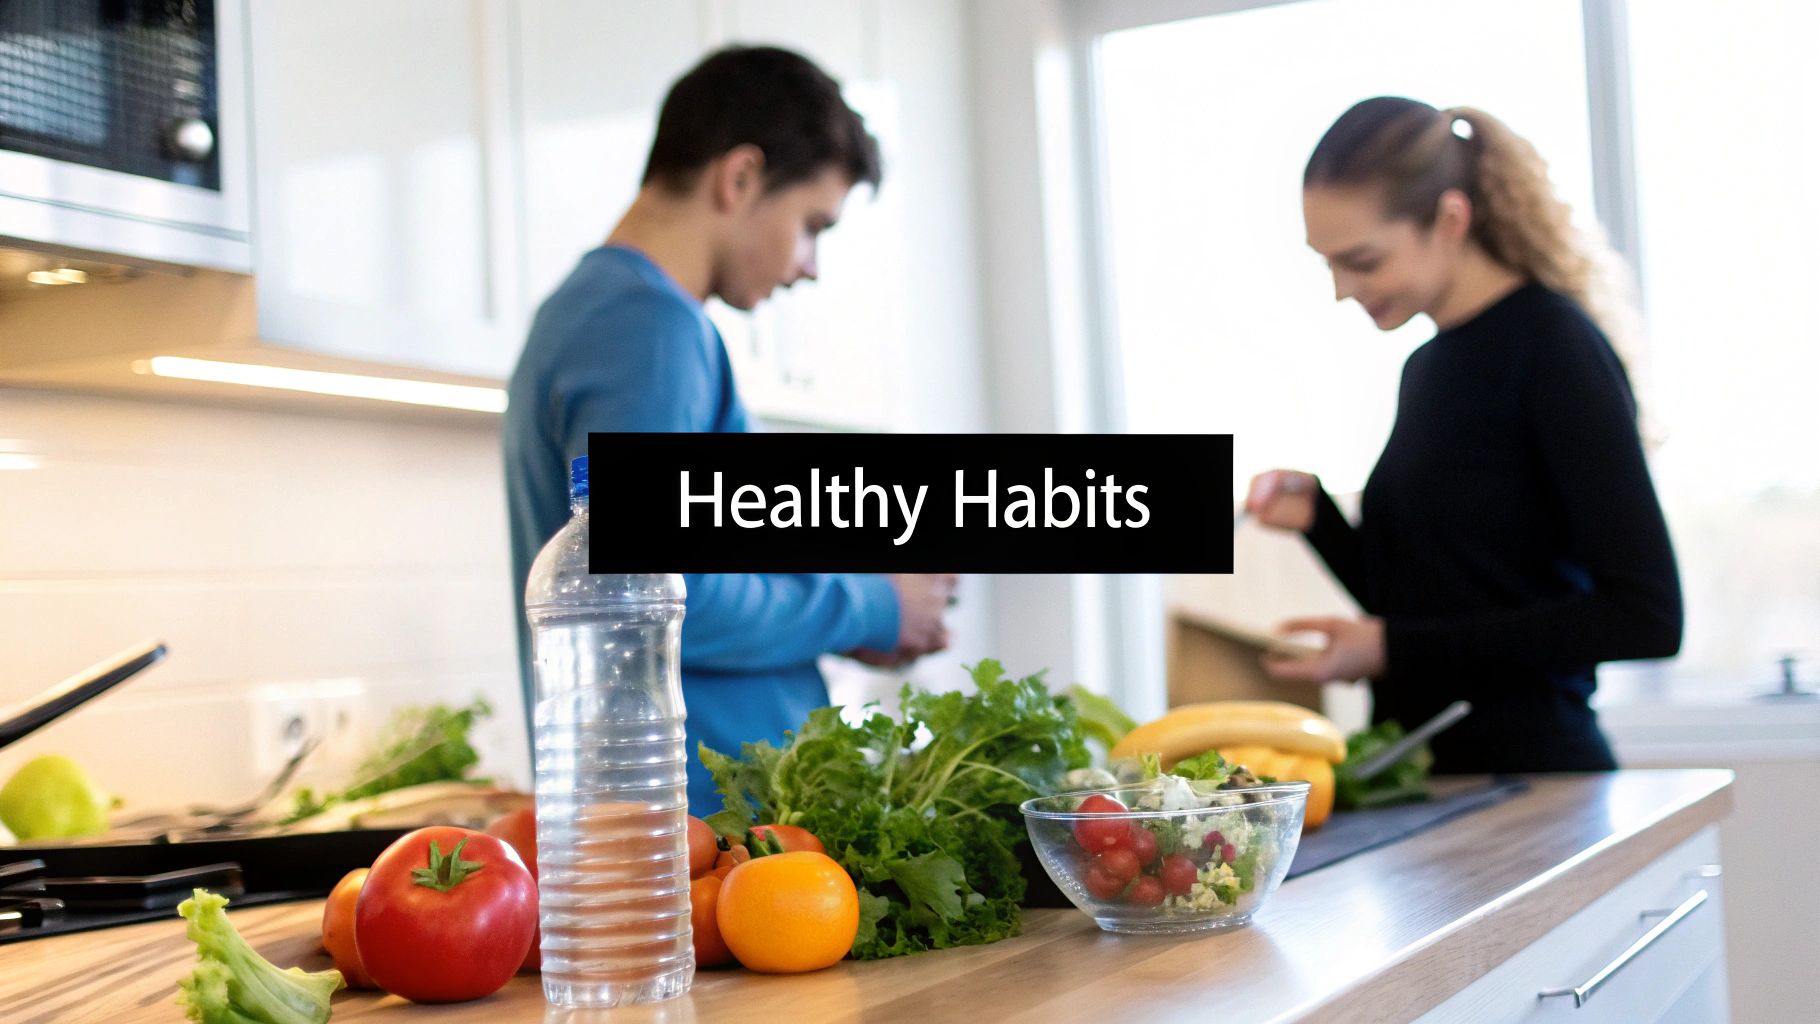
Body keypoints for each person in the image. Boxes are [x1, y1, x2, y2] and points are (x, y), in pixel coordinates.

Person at [504, 46, 956, 814]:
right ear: (740, 177)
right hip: (707, 845)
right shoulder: (645, 324)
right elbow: (648, 592)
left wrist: (849, 617)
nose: (809, 265)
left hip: (711, 842)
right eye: (812, 223)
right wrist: (874, 604)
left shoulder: (606, 314)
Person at [1245, 96, 1682, 773]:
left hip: (1539, 785)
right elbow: (1435, 598)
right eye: (1327, 263)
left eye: (1361, 260)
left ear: (1450, 219)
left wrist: (1391, 648)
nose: (1340, 289)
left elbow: (1647, 616)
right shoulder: (1428, 366)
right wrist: (1321, 520)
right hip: (1433, 781)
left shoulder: (1553, 347)